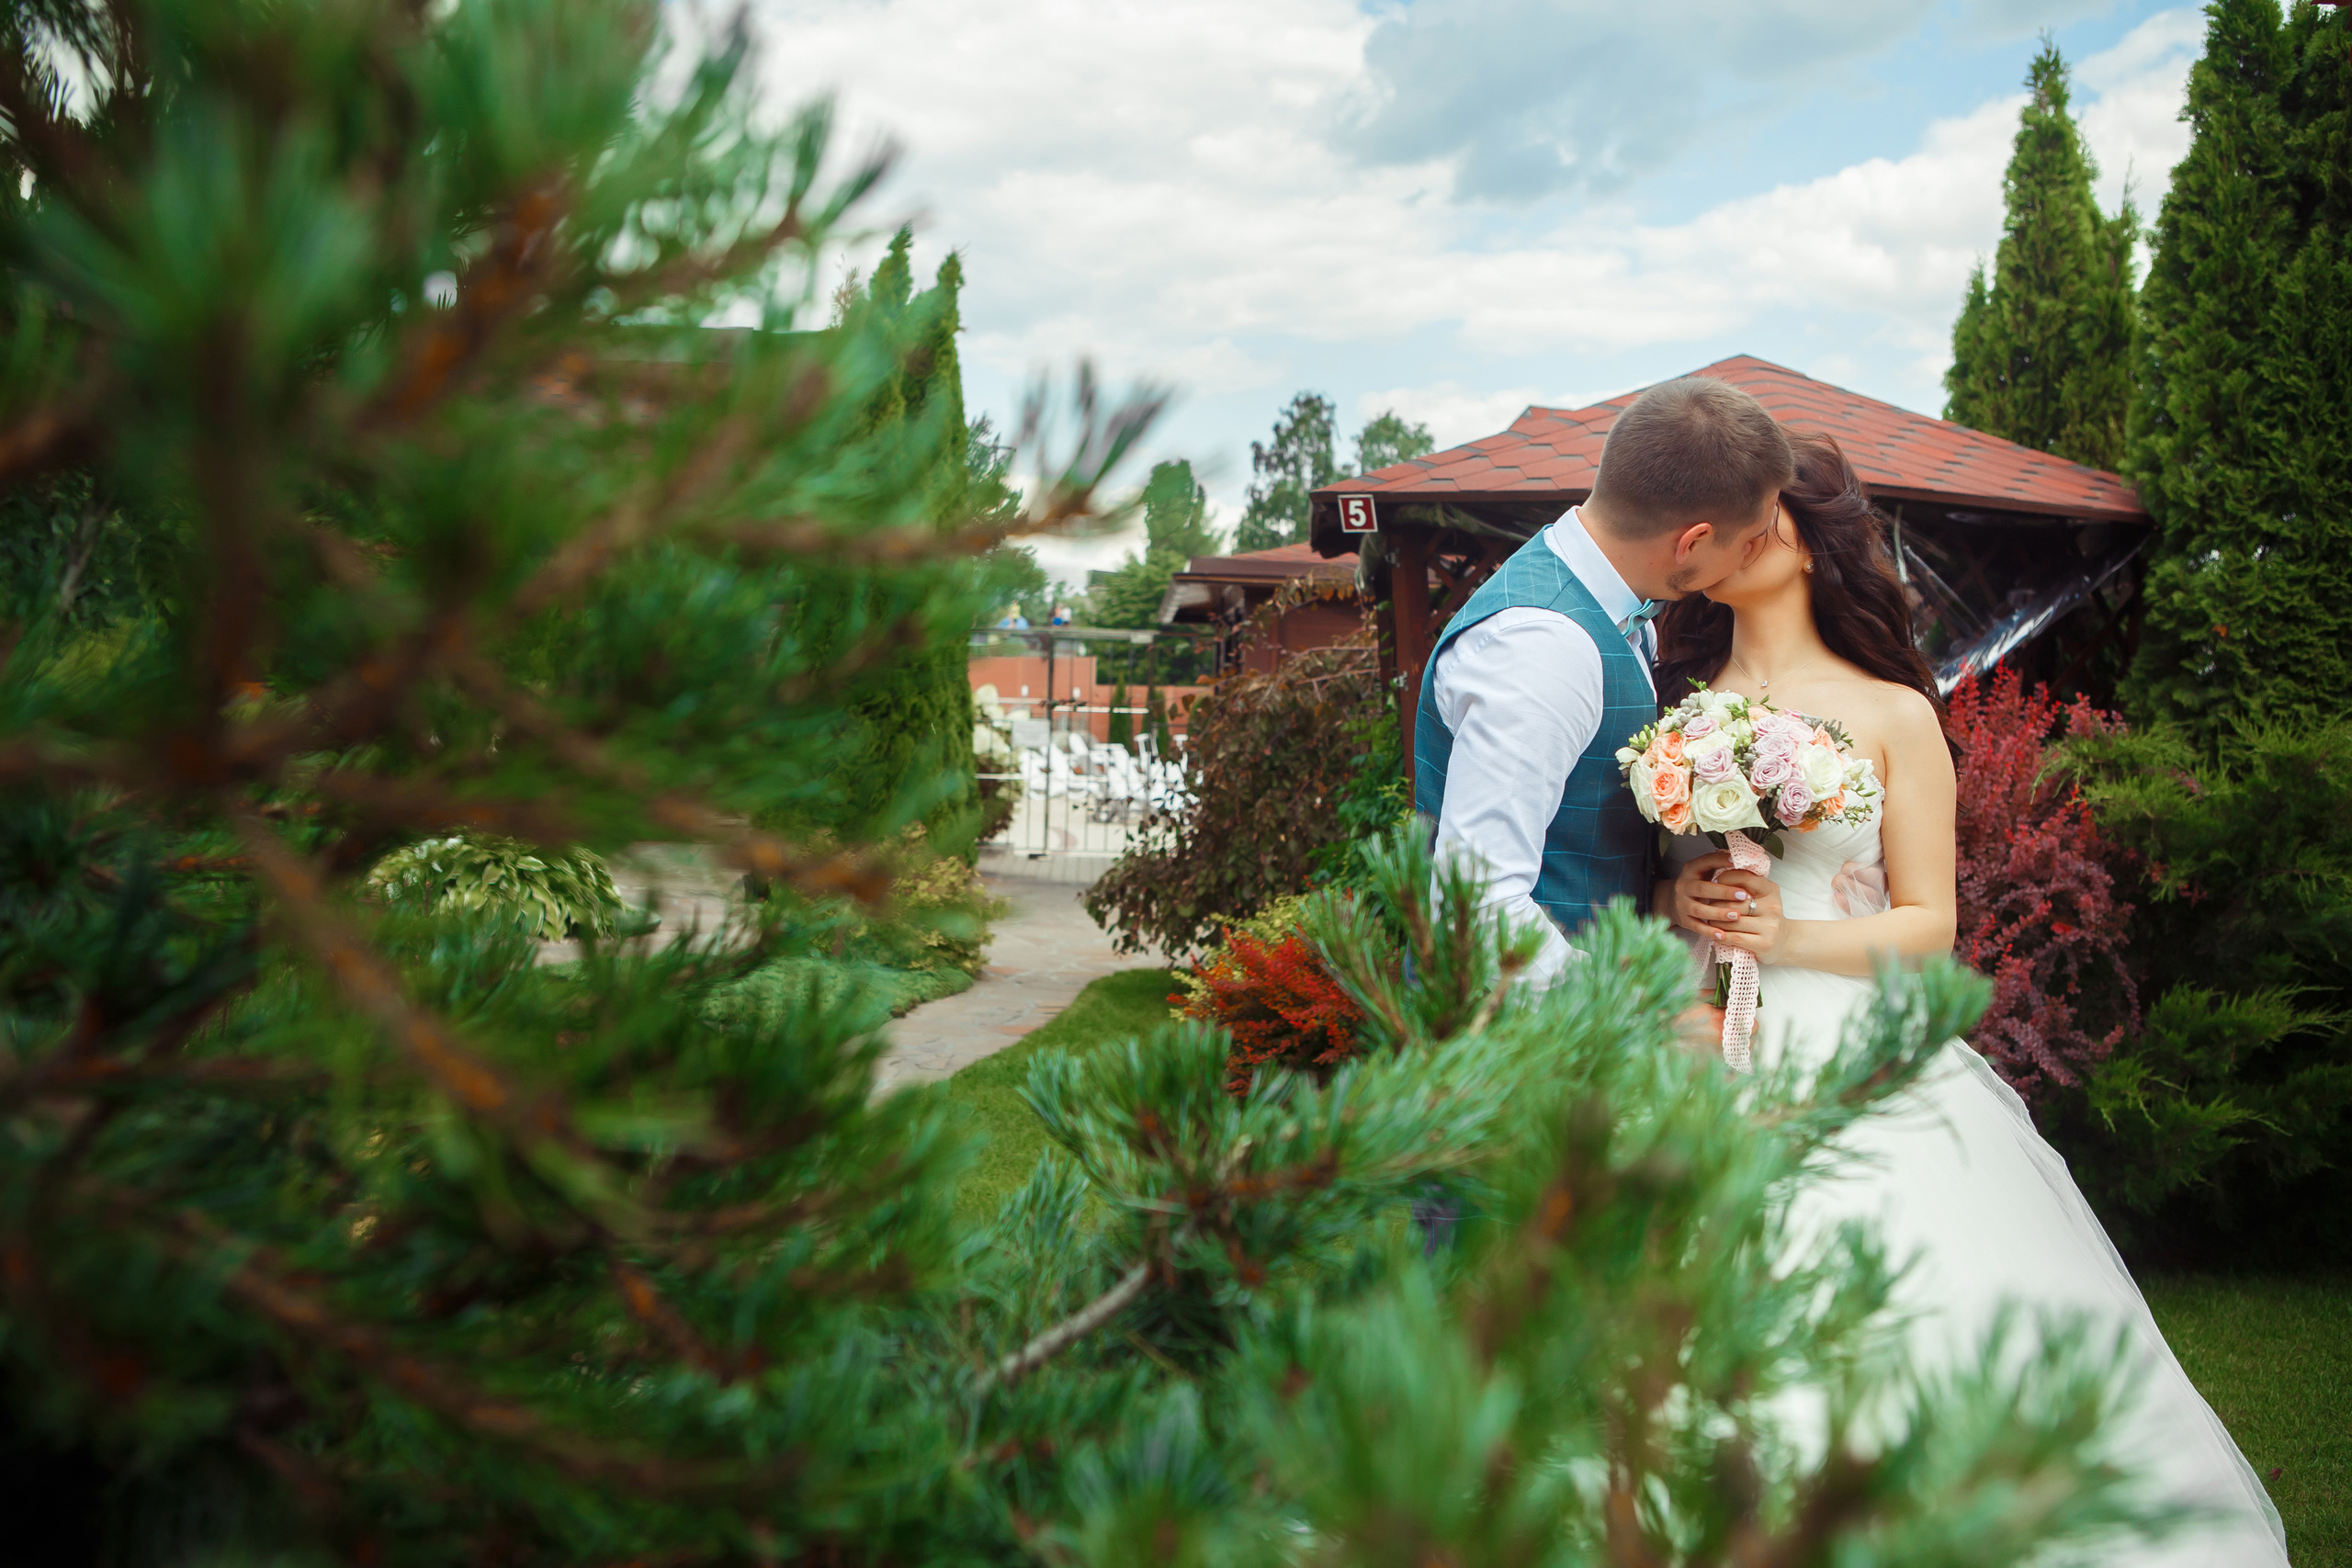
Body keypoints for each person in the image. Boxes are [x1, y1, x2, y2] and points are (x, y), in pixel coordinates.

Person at [1651, 434, 2289, 1565]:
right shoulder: (1681, 711)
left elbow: (1930, 931)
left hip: (1856, 1051)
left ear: (1806, 539)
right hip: (1714, 1041)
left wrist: (1787, 932)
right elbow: (1679, 896)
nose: (1739, 532)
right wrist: (1691, 891)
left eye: (1763, 512)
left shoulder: (1894, 713)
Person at [1416, 377, 1792, 987]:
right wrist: (1641, 1025)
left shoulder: (1612, 610)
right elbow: (1479, 911)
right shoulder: (1543, 648)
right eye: (1750, 542)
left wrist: (1663, 894)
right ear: (1693, 540)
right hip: (1525, 1055)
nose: (1752, 556)